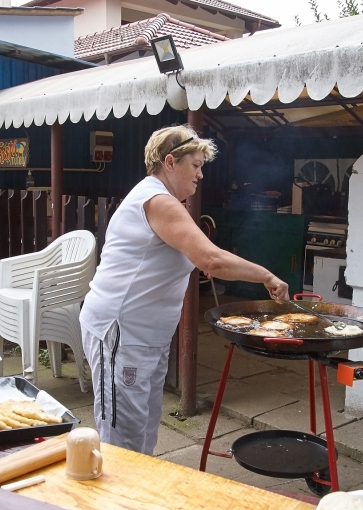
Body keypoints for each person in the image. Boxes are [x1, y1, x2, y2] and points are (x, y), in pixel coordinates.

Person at [80, 125, 289, 455]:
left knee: (143, 426)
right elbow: (210, 259)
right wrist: (266, 276)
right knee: (122, 437)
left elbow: (200, 257)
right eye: (195, 165)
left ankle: (138, 498)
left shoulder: (168, 203)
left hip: (146, 335)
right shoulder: (158, 201)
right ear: (170, 162)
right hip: (120, 332)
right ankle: (111, 503)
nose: (201, 175)